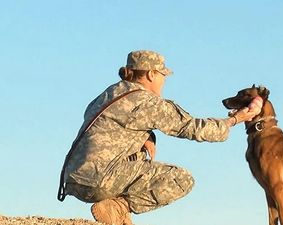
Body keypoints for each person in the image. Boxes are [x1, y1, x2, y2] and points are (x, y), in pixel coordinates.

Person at [59, 50, 260, 225]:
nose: (164, 80)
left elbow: (115, 125)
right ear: (150, 74)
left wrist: (148, 136)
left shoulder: (109, 94)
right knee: (181, 179)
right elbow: (193, 128)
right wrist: (236, 119)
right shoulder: (147, 102)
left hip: (74, 180)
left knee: (138, 158)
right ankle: (119, 207)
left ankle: (119, 213)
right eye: (162, 74)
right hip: (101, 179)